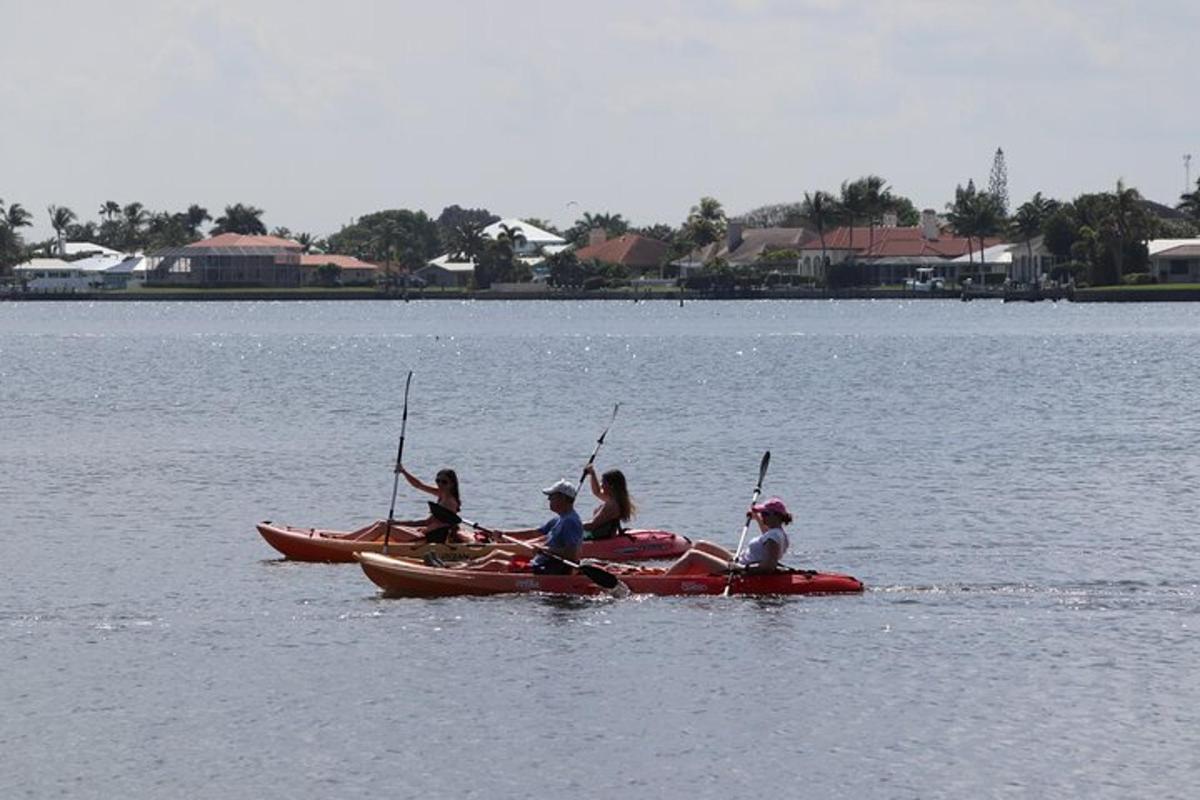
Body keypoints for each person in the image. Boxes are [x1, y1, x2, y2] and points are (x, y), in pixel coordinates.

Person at [460, 479, 584, 574]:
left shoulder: (570, 521)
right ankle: (463, 567)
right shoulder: (559, 518)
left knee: (496, 564)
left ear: (562, 498)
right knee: (497, 553)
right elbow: (534, 533)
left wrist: (545, 550)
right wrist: (504, 534)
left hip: (550, 569)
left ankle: (461, 574)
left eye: (551, 496)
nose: (548, 499)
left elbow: (572, 555)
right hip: (540, 562)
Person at [662, 497, 792, 576]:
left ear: (775, 516)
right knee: (700, 544)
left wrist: (742, 568)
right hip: (738, 561)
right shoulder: (777, 533)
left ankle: (664, 581)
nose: (762, 516)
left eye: (765, 514)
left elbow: (768, 567)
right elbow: (766, 537)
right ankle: (681, 571)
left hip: (739, 569)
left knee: (693, 555)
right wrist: (756, 517)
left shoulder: (773, 538)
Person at [357, 467, 466, 543]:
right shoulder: (442, 493)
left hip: (425, 539)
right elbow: (419, 485)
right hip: (424, 532)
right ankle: (346, 540)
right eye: (438, 480)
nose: (439, 484)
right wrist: (403, 471)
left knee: (383, 527)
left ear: (452, 484)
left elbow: (426, 522)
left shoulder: (449, 502)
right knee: (380, 522)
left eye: (444, 482)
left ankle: (352, 545)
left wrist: (397, 523)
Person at [581, 464, 637, 540]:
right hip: (599, 535)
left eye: (603, 483)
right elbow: (596, 492)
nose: (601, 485)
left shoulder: (612, 505)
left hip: (600, 538)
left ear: (611, 486)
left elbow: (592, 525)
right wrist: (592, 474)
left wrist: (572, 525)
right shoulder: (613, 499)